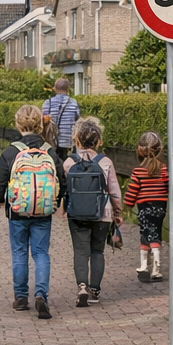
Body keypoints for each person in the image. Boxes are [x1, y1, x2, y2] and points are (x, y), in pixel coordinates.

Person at [0, 104, 65, 319]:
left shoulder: (12, 151)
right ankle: (41, 295)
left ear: (18, 124)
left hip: (17, 211)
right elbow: (62, 178)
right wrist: (57, 201)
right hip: (43, 211)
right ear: (40, 125)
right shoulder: (49, 151)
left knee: (20, 252)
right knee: (41, 252)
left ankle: (21, 297)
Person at [63, 117, 122, 307]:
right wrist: (118, 212)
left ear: (76, 140)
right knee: (97, 250)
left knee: (80, 251)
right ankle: (95, 290)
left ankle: (82, 286)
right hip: (102, 213)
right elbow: (114, 190)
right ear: (98, 141)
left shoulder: (69, 163)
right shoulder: (105, 162)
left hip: (77, 213)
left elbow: (65, 188)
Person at [124, 131, 169, 283]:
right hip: (160, 208)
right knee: (156, 234)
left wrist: (127, 206)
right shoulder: (163, 170)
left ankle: (145, 266)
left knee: (145, 235)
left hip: (144, 208)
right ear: (159, 150)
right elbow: (168, 187)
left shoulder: (138, 171)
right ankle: (156, 268)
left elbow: (132, 191)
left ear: (140, 150)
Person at [42, 77, 80, 162]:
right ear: (68, 89)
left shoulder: (48, 103)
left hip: (51, 143)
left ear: (55, 88)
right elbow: (77, 120)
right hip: (68, 143)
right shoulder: (73, 103)